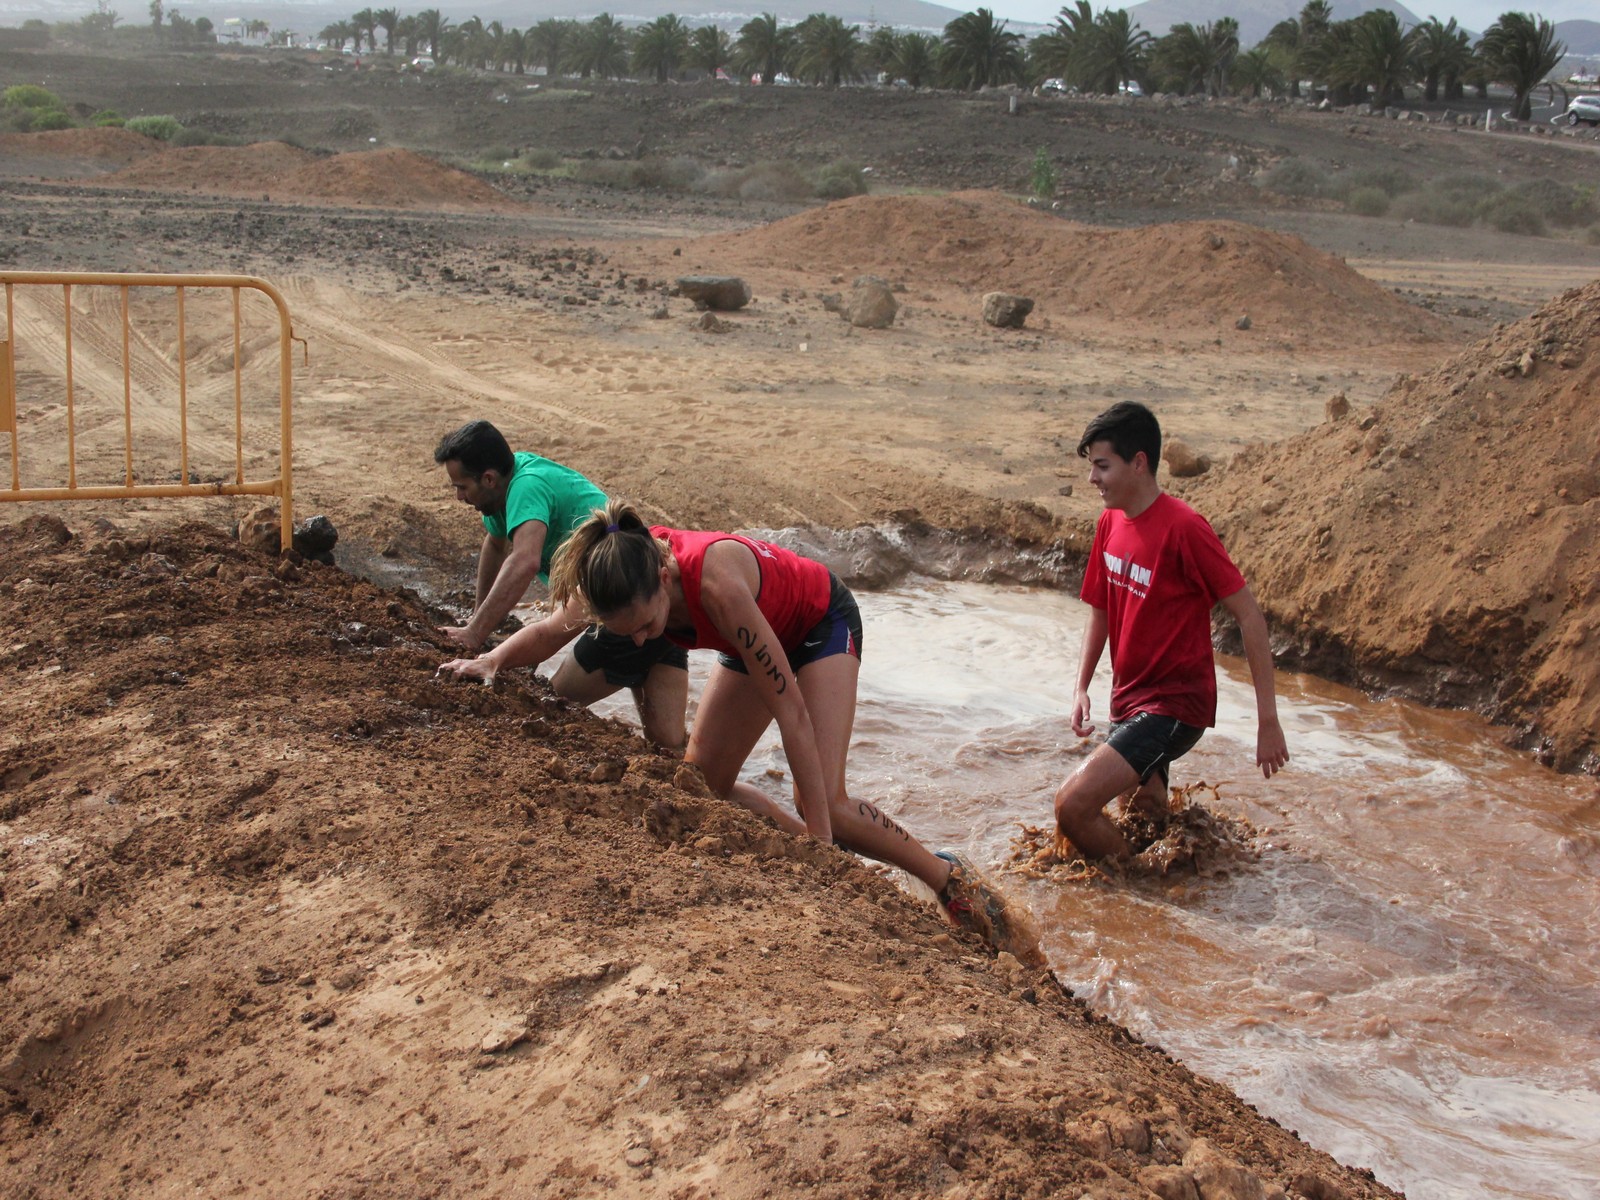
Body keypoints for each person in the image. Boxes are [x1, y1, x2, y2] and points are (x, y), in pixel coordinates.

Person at [528, 497, 1041, 962]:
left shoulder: (716, 587)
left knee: (823, 800)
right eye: (628, 632)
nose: (640, 642)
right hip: (756, 638)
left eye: (645, 627)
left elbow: (791, 712)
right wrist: (485, 659)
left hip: (819, 624)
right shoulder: (619, 570)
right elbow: (553, 629)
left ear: (663, 578)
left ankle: (947, 877)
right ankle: (833, 856)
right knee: (704, 788)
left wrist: (821, 844)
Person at [1054, 401, 1289, 861]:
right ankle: (1172, 891)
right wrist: (1082, 686)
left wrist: (1268, 722)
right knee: (1143, 816)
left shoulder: (1185, 529)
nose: (1092, 479)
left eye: (1102, 466)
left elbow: (1250, 616)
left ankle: (1135, 890)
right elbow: (1101, 608)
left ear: (1138, 463)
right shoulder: (1109, 523)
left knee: (1073, 805)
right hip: (1128, 698)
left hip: (1176, 705)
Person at [431, 420, 688, 748]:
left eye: (461, 487)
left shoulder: (526, 487)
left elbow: (524, 561)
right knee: (671, 749)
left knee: (548, 706)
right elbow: (495, 545)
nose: (458, 496)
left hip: (625, 607)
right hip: (658, 607)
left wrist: (475, 635)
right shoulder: (501, 490)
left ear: (489, 479)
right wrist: (476, 623)